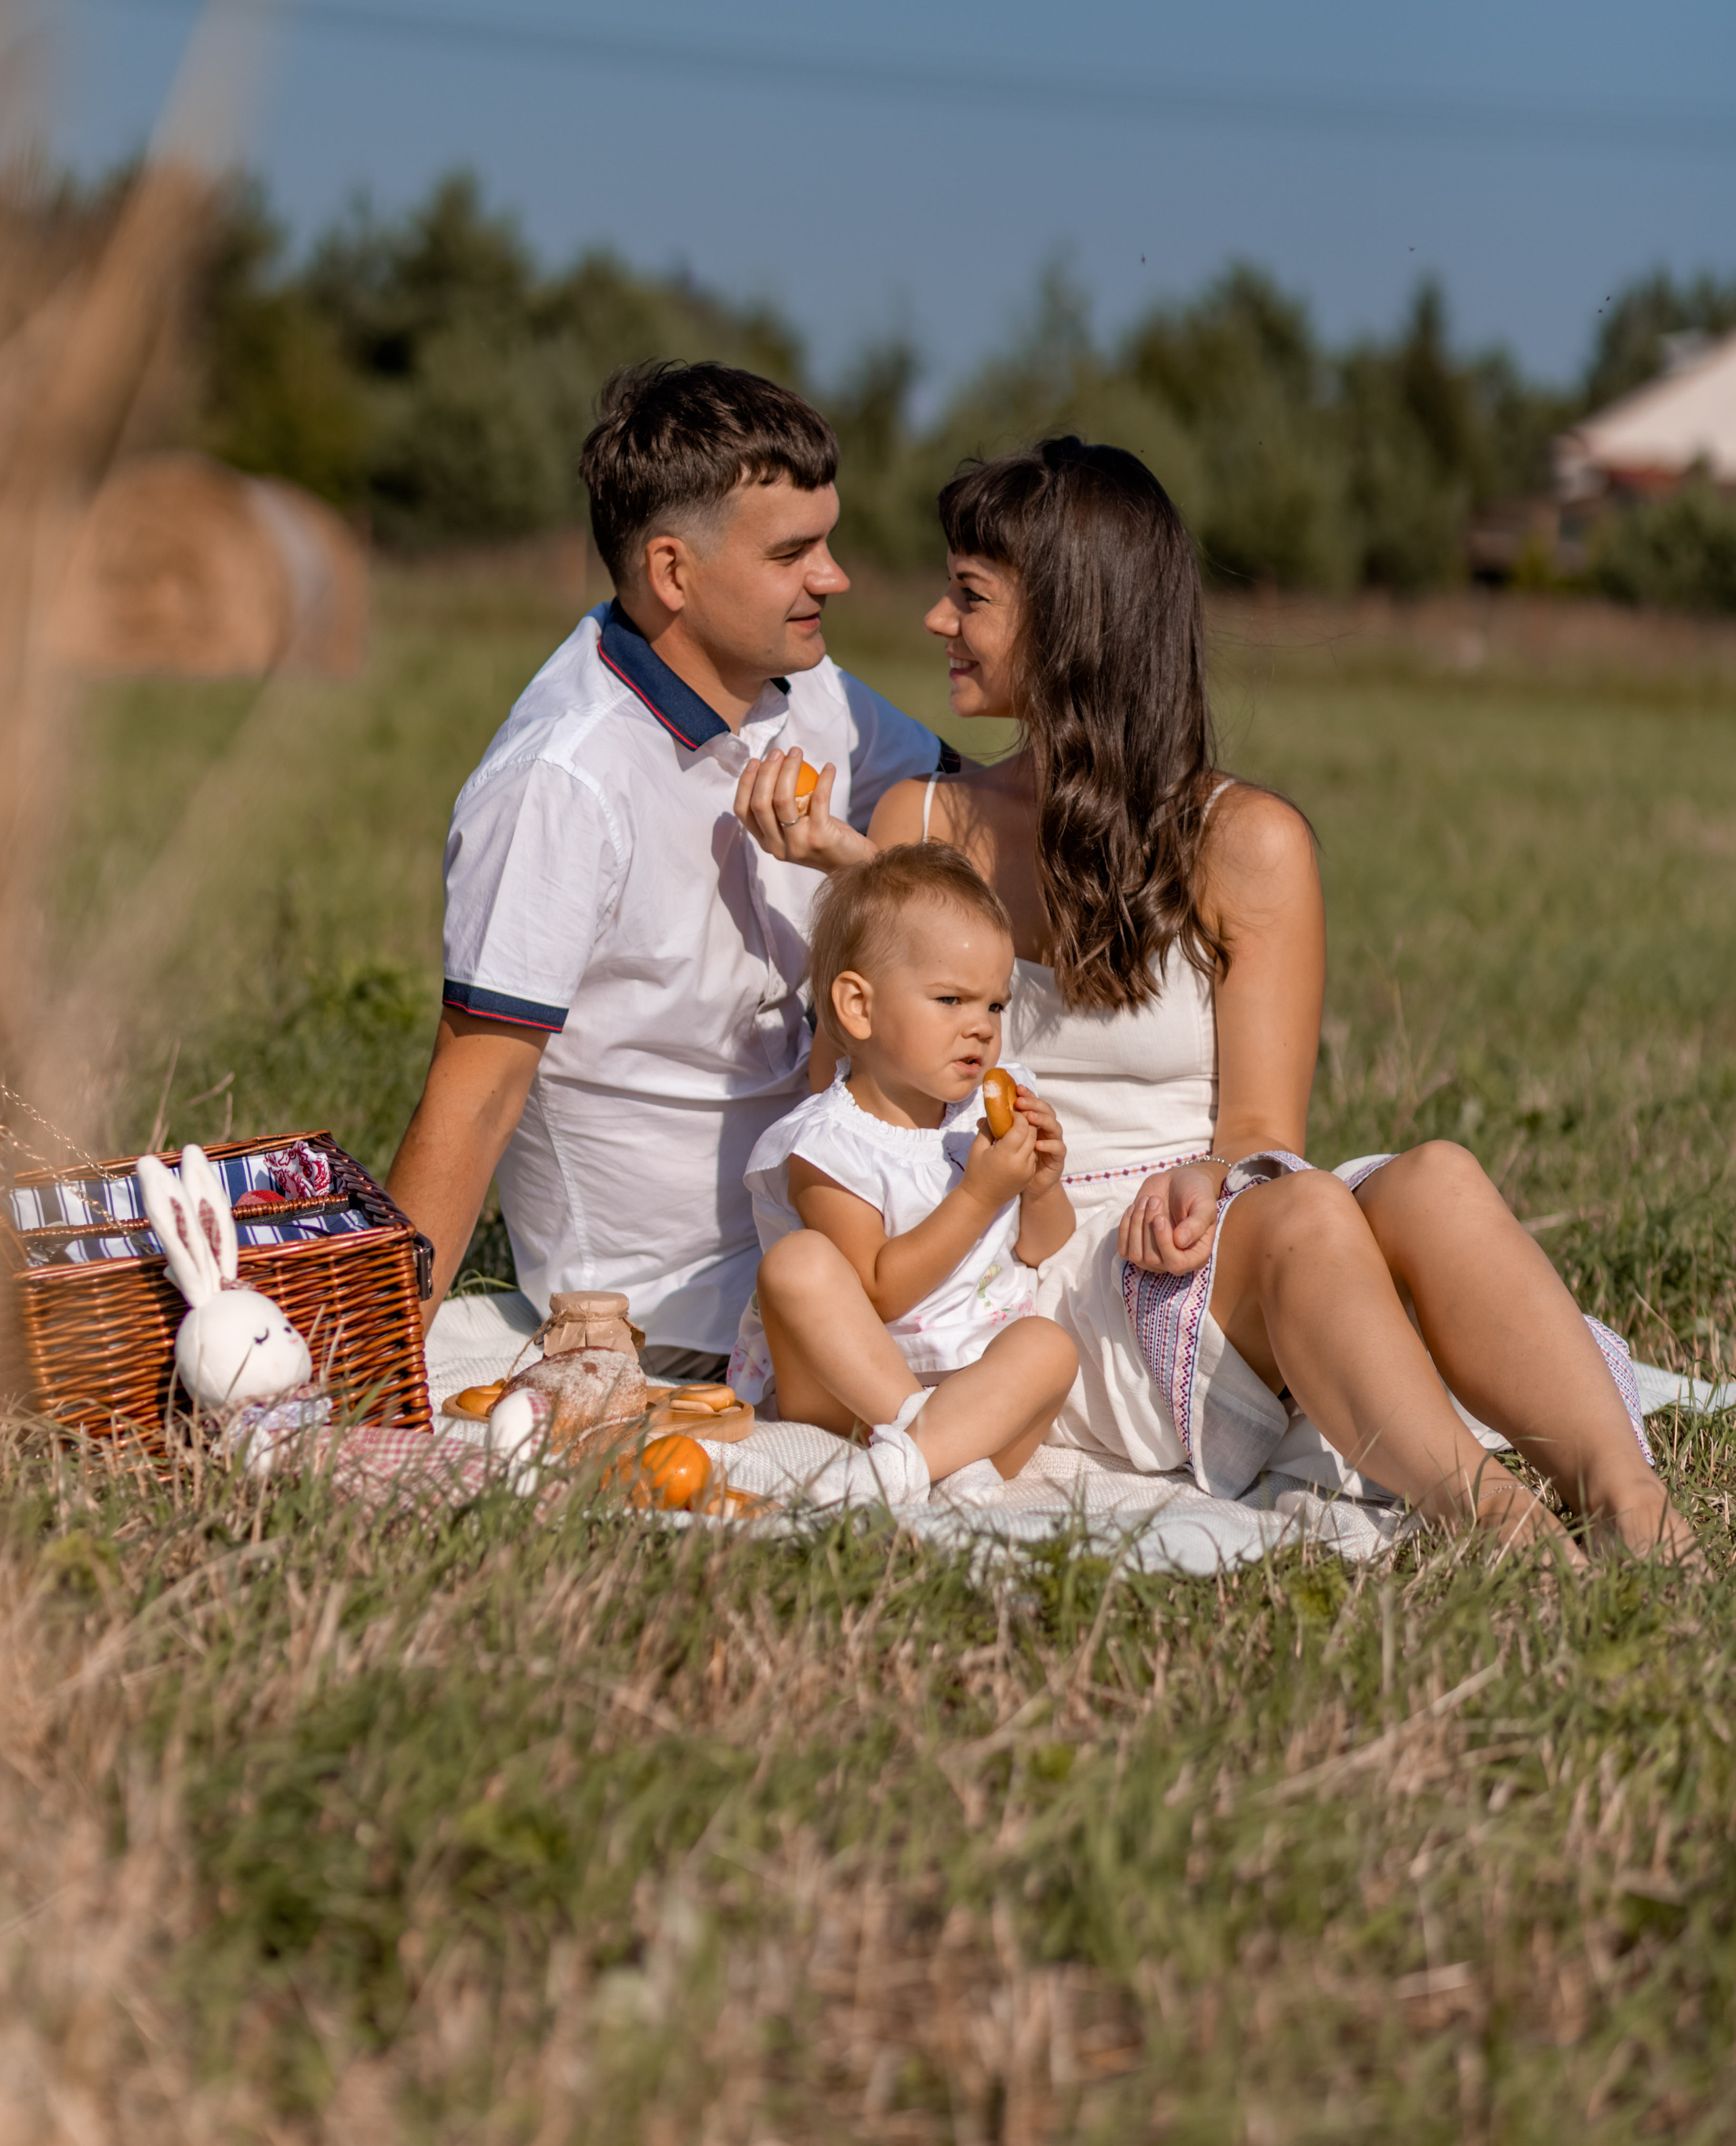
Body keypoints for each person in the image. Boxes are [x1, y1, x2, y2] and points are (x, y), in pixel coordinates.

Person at [735, 437, 1697, 1561]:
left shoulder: (1250, 844)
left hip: (1193, 1226)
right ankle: (1501, 1525)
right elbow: (854, 1107)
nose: (939, 622)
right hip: (1028, 1270)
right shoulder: (921, 823)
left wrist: (1211, 1175)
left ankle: (1634, 1505)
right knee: (1303, 1219)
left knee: (1434, 1177)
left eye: (972, 597)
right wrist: (860, 895)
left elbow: (1259, 1138)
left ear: (1069, 621)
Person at [386, 360, 947, 1380]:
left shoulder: (807, 691)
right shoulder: (561, 784)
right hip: (672, 1309)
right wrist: (370, 1366)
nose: (836, 577)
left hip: (850, 1227)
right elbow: (473, 1099)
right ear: (673, 573)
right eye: (794, 552)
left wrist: (861, 864)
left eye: (827, 541)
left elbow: (982, 835)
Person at [725, 843, 1078, 1505]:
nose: (979, 1029)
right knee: (796, 1263)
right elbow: (879, 1292)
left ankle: (913, 1459)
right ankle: (928, 1453)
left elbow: (1041, 1245)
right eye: (950, 1000)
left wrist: (1038, 1185)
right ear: (858, 1007)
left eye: (994, 1007)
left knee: (1049, 1345)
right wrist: (978, 1194)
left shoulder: (990, 1107)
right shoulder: (829, 1145)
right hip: (842, 1397)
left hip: (977, 1392)